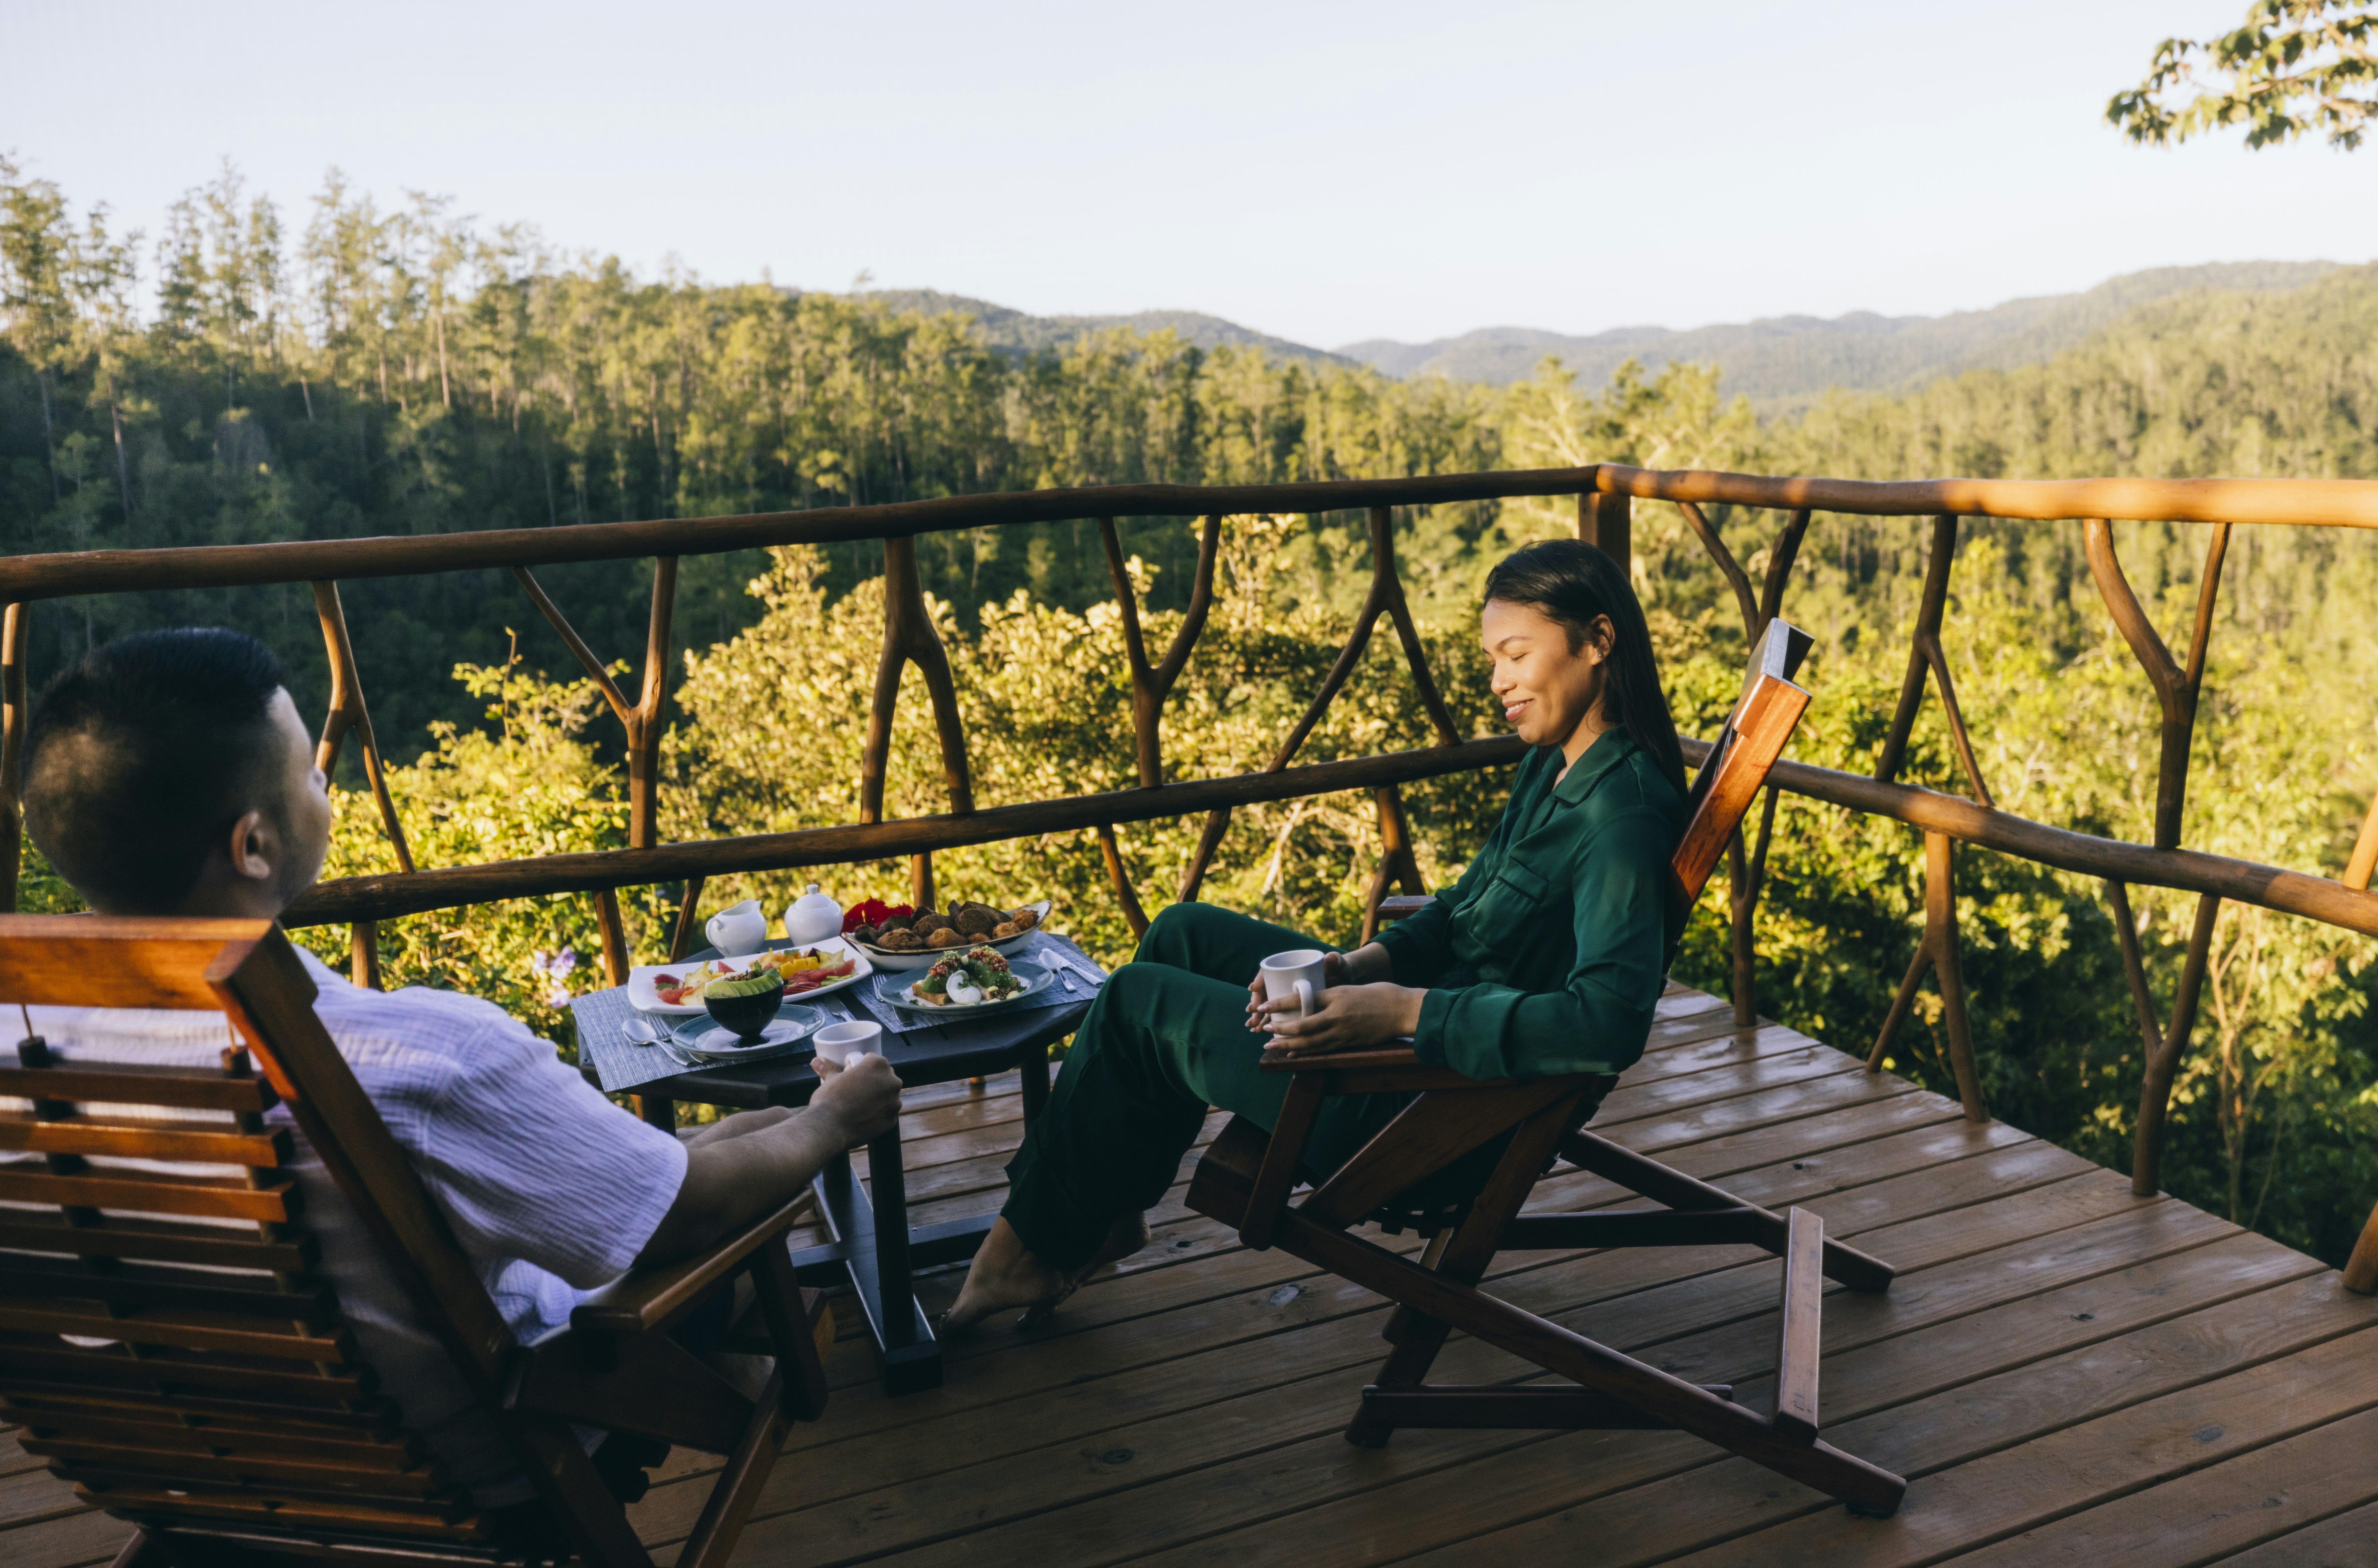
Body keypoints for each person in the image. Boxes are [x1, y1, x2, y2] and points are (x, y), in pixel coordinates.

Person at [7, 627, 904, 1512]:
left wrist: (770, 1129)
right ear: (253, 846)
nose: (328, 785)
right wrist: (832, 1124)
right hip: (477, 1467)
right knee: (732, 1233)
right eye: (314, 776)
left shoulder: (19, 1057)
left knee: (717, 1156)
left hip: (193, 1478)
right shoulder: (418, 1061)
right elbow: (685, 1216)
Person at [941, 538, 1690, 1331]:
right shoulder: (1557, 762)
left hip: (1428, 1106)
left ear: (1598, 641)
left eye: (1515, 654)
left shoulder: (1622, 816)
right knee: (1181, 932)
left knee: (1135, 1001)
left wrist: (1400, 1011)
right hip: (1414, 1049)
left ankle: (1022, 1249)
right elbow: (1461, 912)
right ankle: (1107, 1209)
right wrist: (1352, 966)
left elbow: (1607, 1022)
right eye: (1490, 658)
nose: (1497, 681)